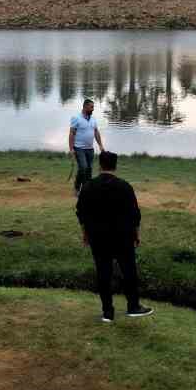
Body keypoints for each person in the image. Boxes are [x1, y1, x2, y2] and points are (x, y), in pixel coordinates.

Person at [75, 150, 153, 323]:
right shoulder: (125, 186)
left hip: (98, 237)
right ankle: (133, 307)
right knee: (129, 271)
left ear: (99, 165)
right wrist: (136, 235)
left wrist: (85, 234)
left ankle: (107, 313)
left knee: (103, 272)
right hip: (123, 236)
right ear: (115, 166)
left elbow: (81, 213)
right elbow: (135, 215)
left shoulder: (88, 186)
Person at [68, 98, 105, 194]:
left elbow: (96, 132)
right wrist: (71, 148)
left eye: (93, 107)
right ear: (85, 107)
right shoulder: (76, 118)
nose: (93, 109)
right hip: (79, 148)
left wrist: (100, 145)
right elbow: (72, 133)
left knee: (89, 170)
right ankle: (77, 188)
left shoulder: (93, 119)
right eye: (91, 107)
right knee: (83, 167)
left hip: (90, 149)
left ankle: (87, 189)